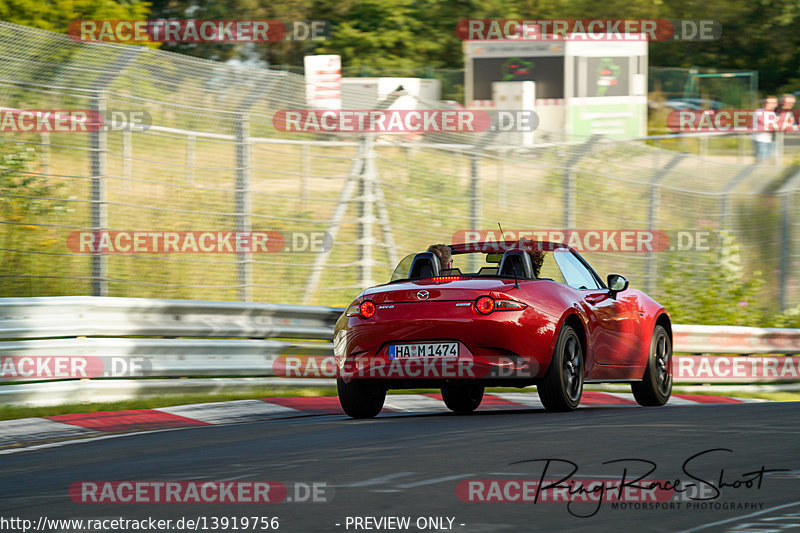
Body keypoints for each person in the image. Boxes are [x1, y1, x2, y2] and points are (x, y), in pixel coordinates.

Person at [753, 95, 778, 162]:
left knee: (772, 161)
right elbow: (769, 126)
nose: (769, 105)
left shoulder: (773, 114)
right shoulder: (758, 111)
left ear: (776, 104)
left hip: (770, 140)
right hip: (760, 140)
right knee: (762, 162)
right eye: (767, 102)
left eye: (772, 103)